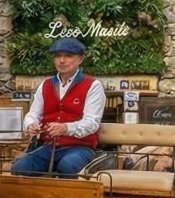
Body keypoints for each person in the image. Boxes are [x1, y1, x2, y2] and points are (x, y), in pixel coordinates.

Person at [11, 37, 106, 176]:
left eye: (68, 56)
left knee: (68, 166)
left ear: (80, 59)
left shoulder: (93, 86)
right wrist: (31, 124)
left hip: (79, 147)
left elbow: (92, 122)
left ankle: (69, 197)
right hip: (47, 146)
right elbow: (33, 115)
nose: (62, 60)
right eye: (57, 56)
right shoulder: (45, 85)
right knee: (19, 168)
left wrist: (66, 128)